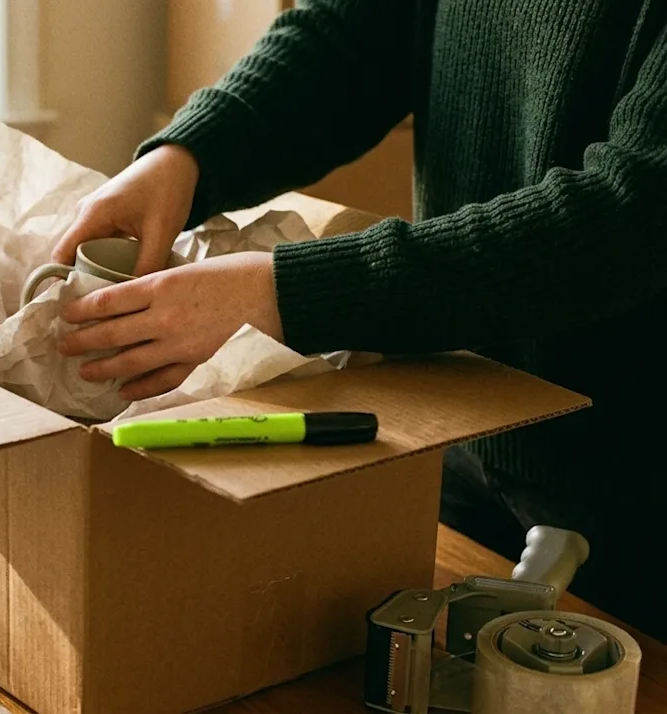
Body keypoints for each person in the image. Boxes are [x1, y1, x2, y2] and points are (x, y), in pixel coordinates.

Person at [52, 0, 667, 642]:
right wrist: (187, 155)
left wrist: (288, 295)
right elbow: (357, 35)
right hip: (461, 421)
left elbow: (631, 218)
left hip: (637, 494)